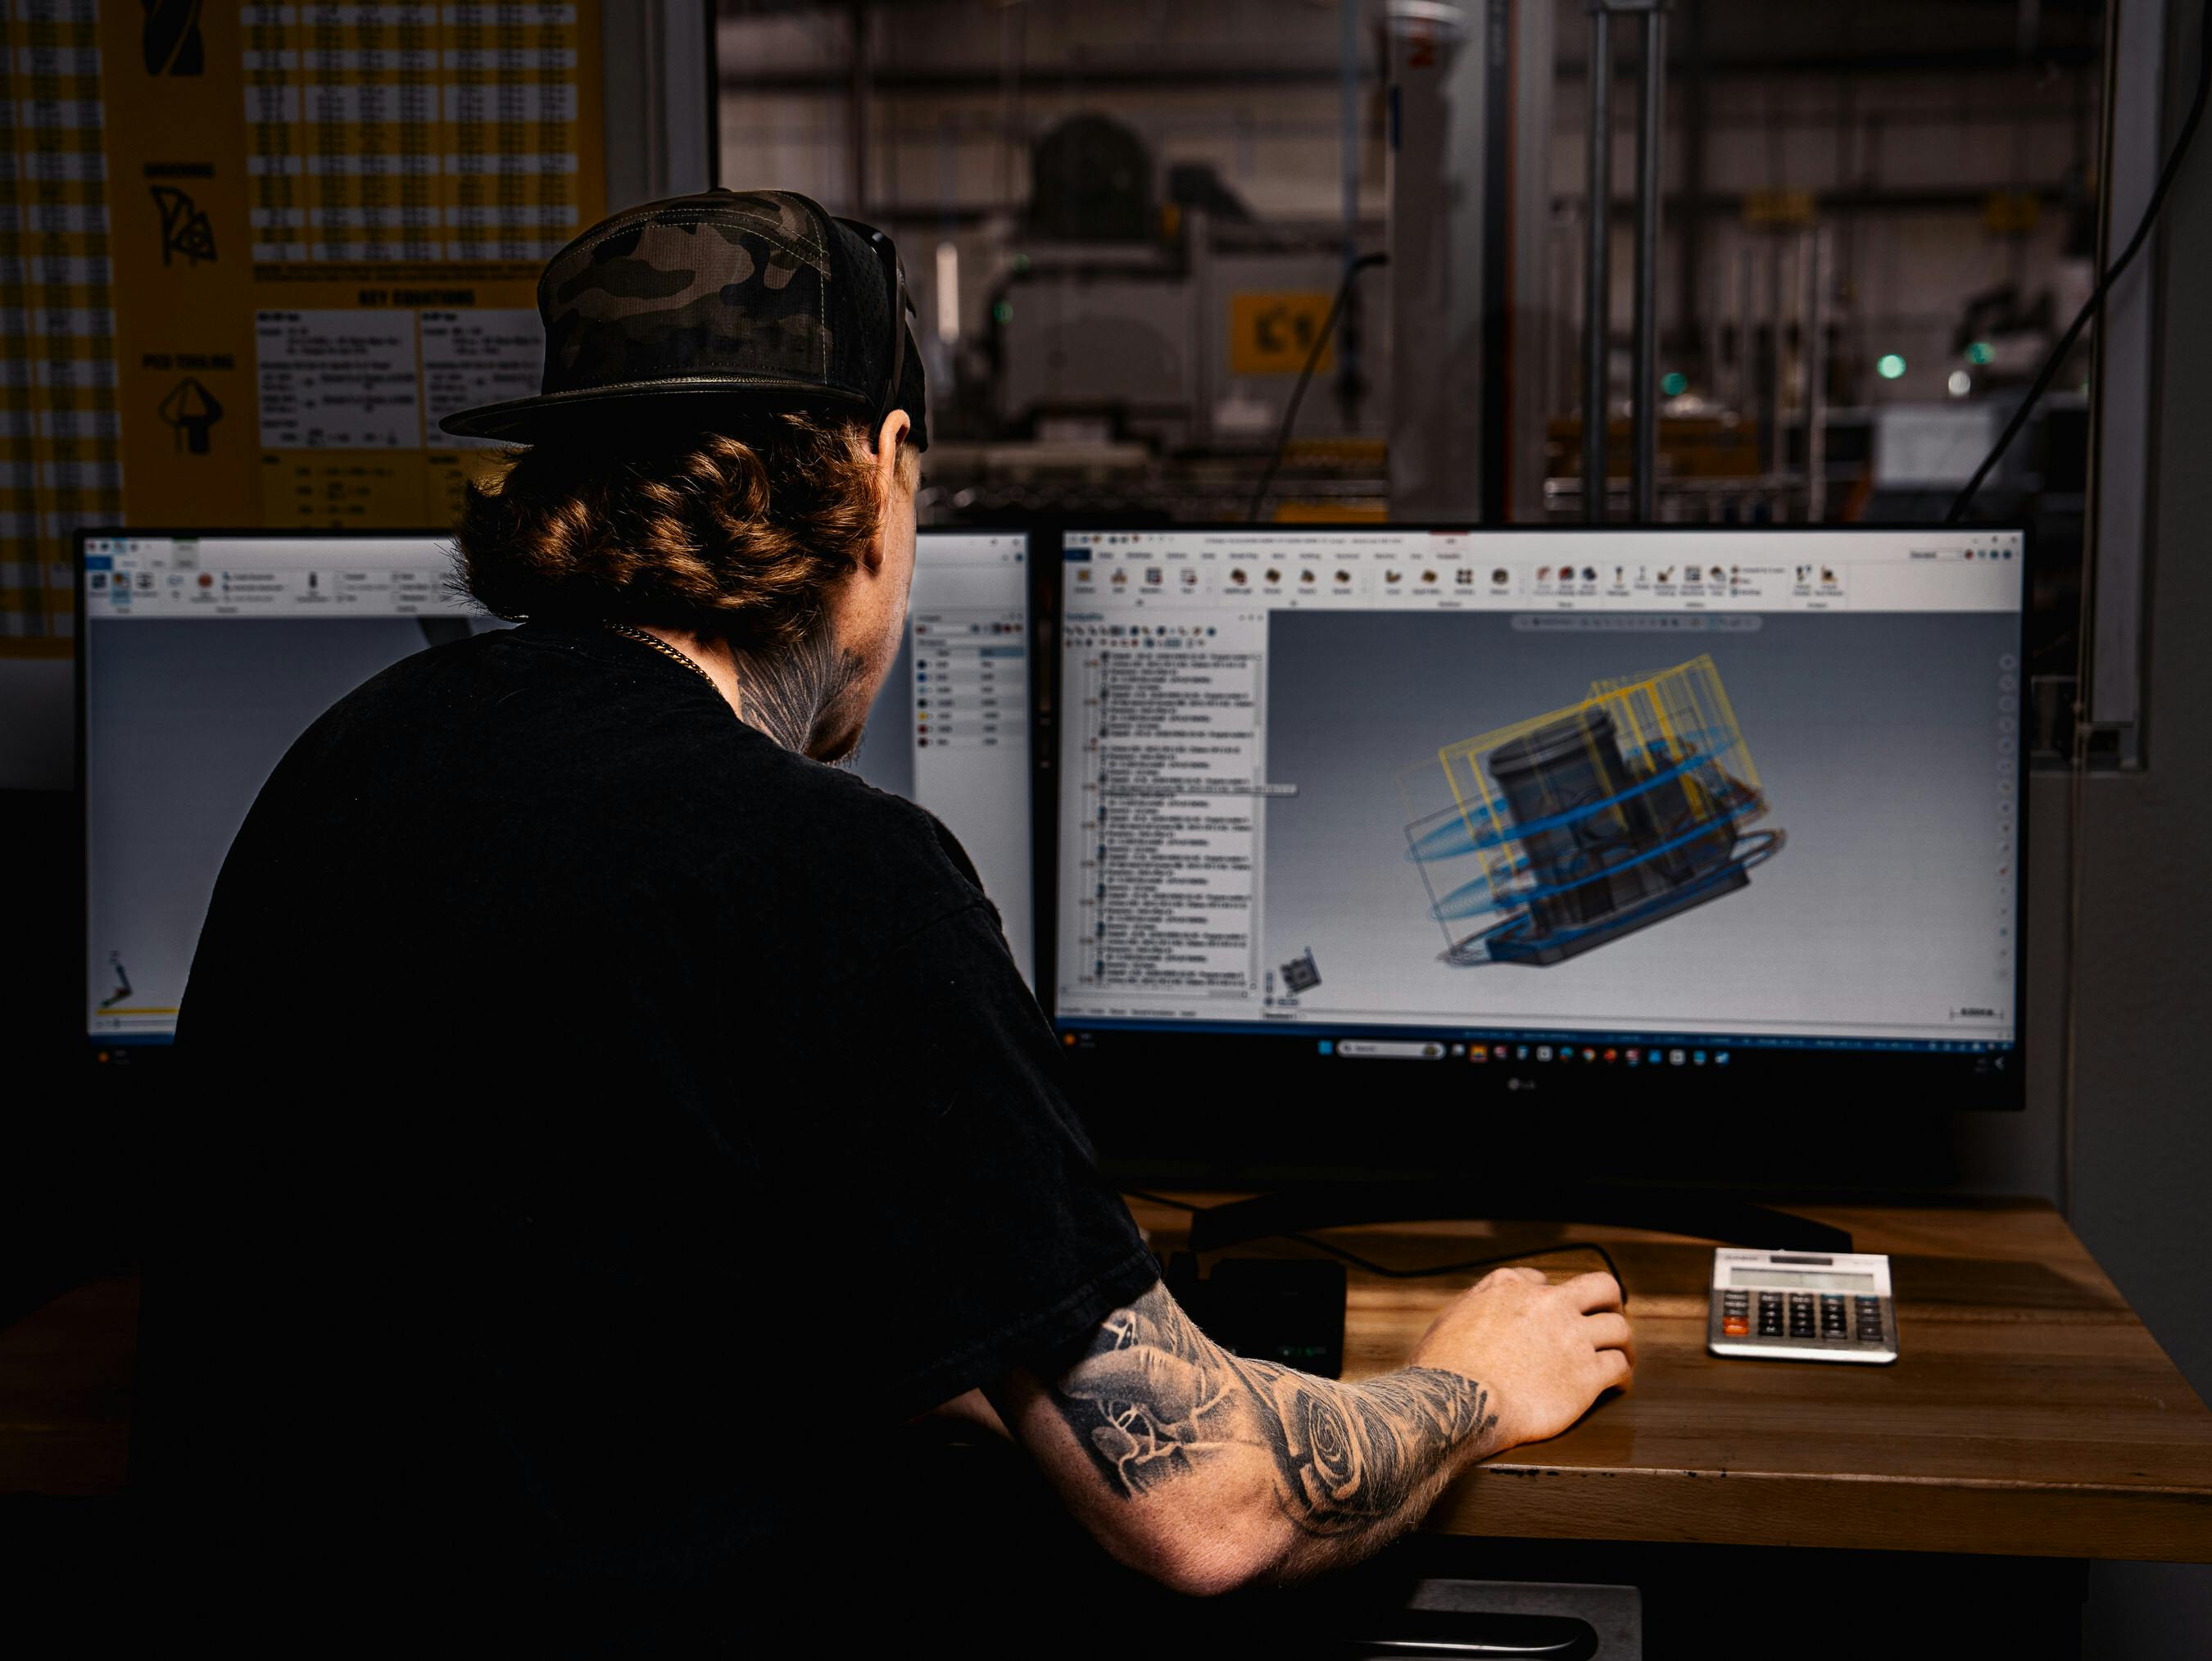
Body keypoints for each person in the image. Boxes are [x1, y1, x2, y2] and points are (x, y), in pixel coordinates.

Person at [154, 189, 1632, 1648]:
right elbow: (1211, 1515)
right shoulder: (821, 862)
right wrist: (1473, 1382)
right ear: (880, 472)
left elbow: (556, 1274)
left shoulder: (355, 752)